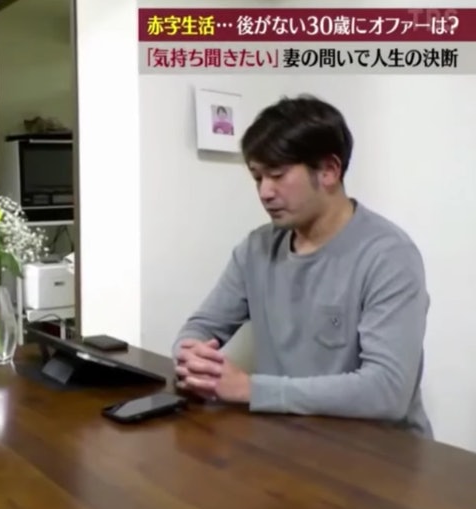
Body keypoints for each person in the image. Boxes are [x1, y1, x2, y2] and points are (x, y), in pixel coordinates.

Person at [173, 95, 432, 437]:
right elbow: (202, 326)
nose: (265, 192)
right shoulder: (255, 249)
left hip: (380, 453)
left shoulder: (389, 255)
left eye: (277, 175)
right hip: (290, 441)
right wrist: (191, 356)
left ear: (329, 171)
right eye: (257, 177)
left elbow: (387, 390)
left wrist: (250, 389)